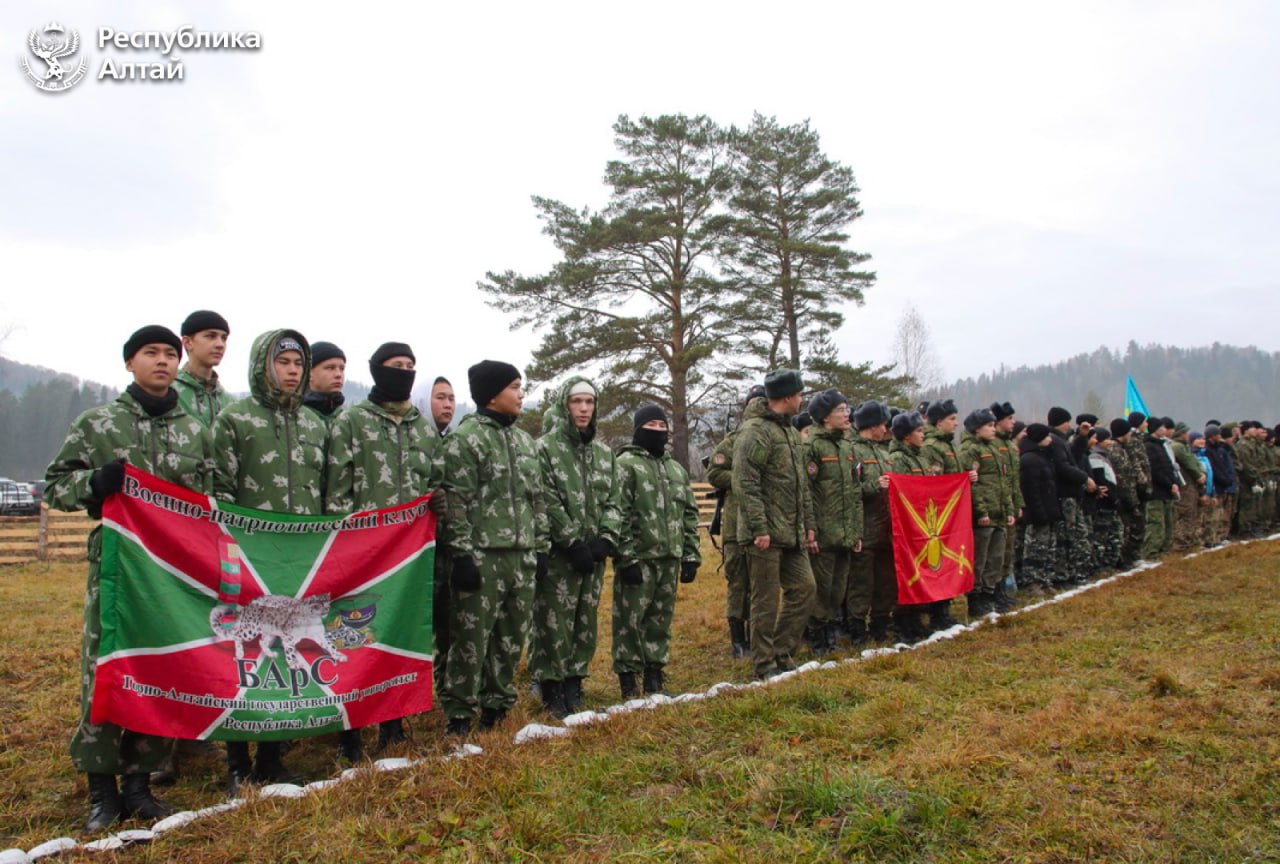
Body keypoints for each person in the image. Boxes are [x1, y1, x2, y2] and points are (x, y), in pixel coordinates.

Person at [45, 325, 213, 831]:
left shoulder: (195, 431)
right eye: (150, 353)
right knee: (107, 666)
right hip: (118, 567)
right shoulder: (98, 423)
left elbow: (209, 499)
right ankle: (102, 791)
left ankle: (141, 785)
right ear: (129, 363)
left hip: (173, 570)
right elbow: (56, 485)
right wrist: (93, 483)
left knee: (162, 666)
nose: (162, 361)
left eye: (169, 354)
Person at [211, 329, 325, 791]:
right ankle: (238, 760)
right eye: (284, 362)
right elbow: (217, 490)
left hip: (298, 561)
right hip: (246, 557)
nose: (293, 371)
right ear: (264, 365)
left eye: (299, 363)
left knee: (284, 652)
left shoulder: (317, 425)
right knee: (245, 653)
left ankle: (273, 756)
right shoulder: (235, 420)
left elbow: (331, 494)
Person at [327, 342, 444, 750]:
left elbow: (435, 481)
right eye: (396, 366)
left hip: (408, 558)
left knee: (401, 636)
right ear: (377, 370)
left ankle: (394, 726)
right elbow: (336, 489)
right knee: (352, 639)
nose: (404, 371)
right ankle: (350, 732)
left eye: (411, 366)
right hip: (361, 554)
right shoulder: (352, 422)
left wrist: (438, 501)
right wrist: (346, 544)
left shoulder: (423, 427)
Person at [439, 361, 547, 735]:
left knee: (509, 638)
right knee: (470, 641)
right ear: (491, 394)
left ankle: (497, 709)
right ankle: (458, 716)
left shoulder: (523, 442)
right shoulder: (466, 440)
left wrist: (541, 547)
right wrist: (463, 554)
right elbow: (455, 502)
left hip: (522, 556)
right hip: (482, 557)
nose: (521, 394)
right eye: (515, 387)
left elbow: (538, 500)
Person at [531, 377, 621, 716]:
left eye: (589, 402)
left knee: (586, 621)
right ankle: (551, 687)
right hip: (560, 557)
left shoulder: (603, 453)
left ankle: (574, 682)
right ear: (564, 405)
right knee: (554, 622)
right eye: (577, 402)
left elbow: (613, 498)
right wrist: (571, 541)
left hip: (594, 557)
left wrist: (606, 539)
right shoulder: (546, 449)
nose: (584, 409)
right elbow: (546, 500)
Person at [611, 404, 701, 698]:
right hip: (639, 558)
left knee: (660, 620)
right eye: (652, 426)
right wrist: (626, 557)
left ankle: (654, 676)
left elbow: (688, 513)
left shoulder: (675, 469)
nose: (659, 432)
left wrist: (690, 555)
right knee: (630, 621)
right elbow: (617, 514)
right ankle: (628, 680)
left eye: (663, 427)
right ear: (638, 429)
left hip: (669, 558)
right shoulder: (625, 465)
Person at [732, 369, 817, 679]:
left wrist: (808, 524)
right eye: (799, 395)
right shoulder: (755, 431)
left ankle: (782, 652)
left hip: (792, 532)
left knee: (805, 588)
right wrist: (759, 528)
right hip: (764, 535)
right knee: (765, 601)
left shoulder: (791, 433)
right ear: (786, 398)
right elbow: (745, 482)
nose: (802, 400)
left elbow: (801, 485)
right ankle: (764, 664)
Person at [706, 385, 767, 659]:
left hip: (765, 522)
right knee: (738, 583)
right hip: (734, 524)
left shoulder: (771, 440)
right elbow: (715, 473)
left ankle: (758, 635)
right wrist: (744, 478)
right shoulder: (730, 443)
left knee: (761, 584)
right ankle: (737, 639)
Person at [803, 389, 862, 653]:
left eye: (846, 408)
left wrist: (856, 531)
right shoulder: (812, 447)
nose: (846, 414)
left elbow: (855, 493)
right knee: (821, 589)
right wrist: (810, 530)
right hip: (823, 534)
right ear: (826, 417)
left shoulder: (848, 447)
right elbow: (806, 493)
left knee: (838, 590)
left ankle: (829, 631)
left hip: (845, 534)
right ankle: (817, 635)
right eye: (841, 410)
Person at [919, 398, 971, 630]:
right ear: (939, 422)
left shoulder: (949, 444)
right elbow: (934, 483)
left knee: (948, 563)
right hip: (937, 516)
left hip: (952, 514)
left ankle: (945, 607)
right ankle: (936, 611)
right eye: (952, 419)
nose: (956, 423)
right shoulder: (932, 446)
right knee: (936, 563)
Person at [958, 408, 1014, 616]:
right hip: (984, 515)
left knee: (996, 558)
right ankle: (976, 598)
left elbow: (1003, 482)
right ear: (976, 429)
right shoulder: (970, 450)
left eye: (993, 425)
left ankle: (990, 593)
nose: (993, 429)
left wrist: (1008, 508)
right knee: (979, 559)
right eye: (989, 426)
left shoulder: (995, 449)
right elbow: (973, 485)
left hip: (999, 512)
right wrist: (981, 511)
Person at [847, 401, 895, 642]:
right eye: (883, 424)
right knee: (861, 583)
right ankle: (856, 626)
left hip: (886, 530)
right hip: (865, 529)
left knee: (885, 581)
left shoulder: (885, 454)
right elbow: (849, 489)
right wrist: (873, 486)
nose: (886, 429)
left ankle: (880, 622)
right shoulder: (854, 452)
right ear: (872, 425)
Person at [1046, 407, 1095, 584]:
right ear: (1063, 422)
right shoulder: (1056, 441)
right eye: (1067, 421)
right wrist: (1084, 478)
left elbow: (1072, 458)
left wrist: (1082, 438)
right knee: (1067, 537)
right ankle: (1064, 574)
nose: (1069, 424)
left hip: (1070, 495)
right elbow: (1063, 467)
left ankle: (1074, 572)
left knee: (1075, 535)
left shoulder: (1062, 441)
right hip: (1064, 495)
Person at [1017, 423, 1060, 596]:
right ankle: (1032, 582)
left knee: (1048, 548)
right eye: (1047, 436)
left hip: (1048, 509)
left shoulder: (1042, 457)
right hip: (1037, 512)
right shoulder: (1029, 460)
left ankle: (1045, 580)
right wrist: (1038, 512)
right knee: (1035, 548)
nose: (1050, 439)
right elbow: (1031, 490)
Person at [174, 310, 230, 427]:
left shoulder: (228, 401)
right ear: (188, 342)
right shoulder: (168, 394)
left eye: (224, 338)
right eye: (210, 336)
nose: (220, 344)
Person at [1141, 417, 1182, 559]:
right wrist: (1169, 484)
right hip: (1156, 491)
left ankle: (1164, 551)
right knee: (1156, 523)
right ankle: (1151, 553)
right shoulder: (1149, 446)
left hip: (1167, 490)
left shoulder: (1161, 445)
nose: (1165, 429)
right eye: (1162, 427)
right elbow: (1155, 470)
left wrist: (1174, 482)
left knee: (1168, 522)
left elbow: (1168, 467)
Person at [1085, 428, 1122, 570]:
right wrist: (1111, 497)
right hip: (1104, 502)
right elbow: (1101, 479)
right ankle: (1100, 564)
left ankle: (1110, 562)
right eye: (1107, 439)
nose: (1110, 442)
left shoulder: (1104, 456)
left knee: (1113, 533)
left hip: (1111, 501)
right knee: (1102, 534)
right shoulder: (1095, 457)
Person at [302, 341, 347, 423]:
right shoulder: (293, 418)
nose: (338, 374)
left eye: (342, 369)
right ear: (309, 373)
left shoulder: (348, 420)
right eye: (330, 368)